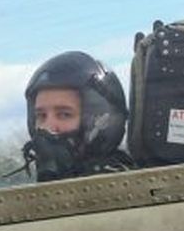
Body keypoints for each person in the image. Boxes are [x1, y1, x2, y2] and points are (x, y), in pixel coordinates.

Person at [21, 51, 133, 181]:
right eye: (41, 116)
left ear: (100, 121)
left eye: (64, 115)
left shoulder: (123, 185)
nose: (47, 127)